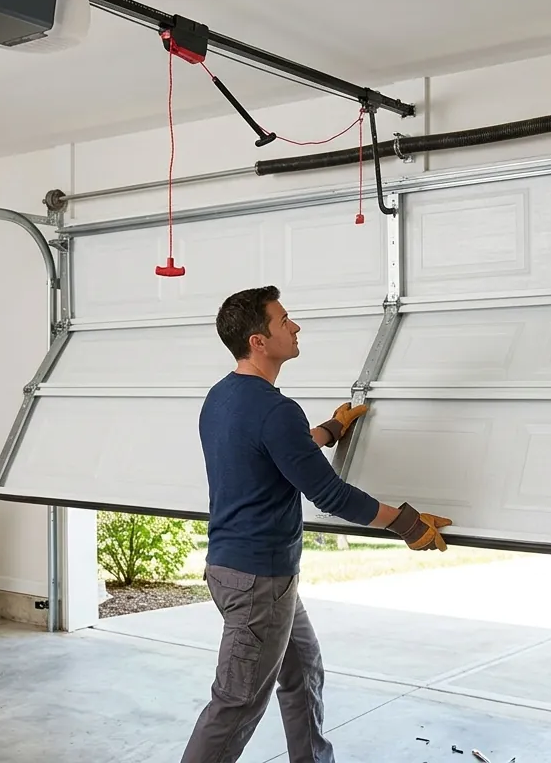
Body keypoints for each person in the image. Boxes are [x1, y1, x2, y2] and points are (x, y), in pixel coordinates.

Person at [180, 285, 453, 763]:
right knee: (237, 703)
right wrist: (407, 524)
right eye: (284, 320)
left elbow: (278, 451)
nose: (295, 326)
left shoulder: (221, 397)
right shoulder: (274, 409)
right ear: (259, 341)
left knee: (303, 671)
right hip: (259, 583)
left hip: (240, 571)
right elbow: (329, 494)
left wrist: (331, 429)